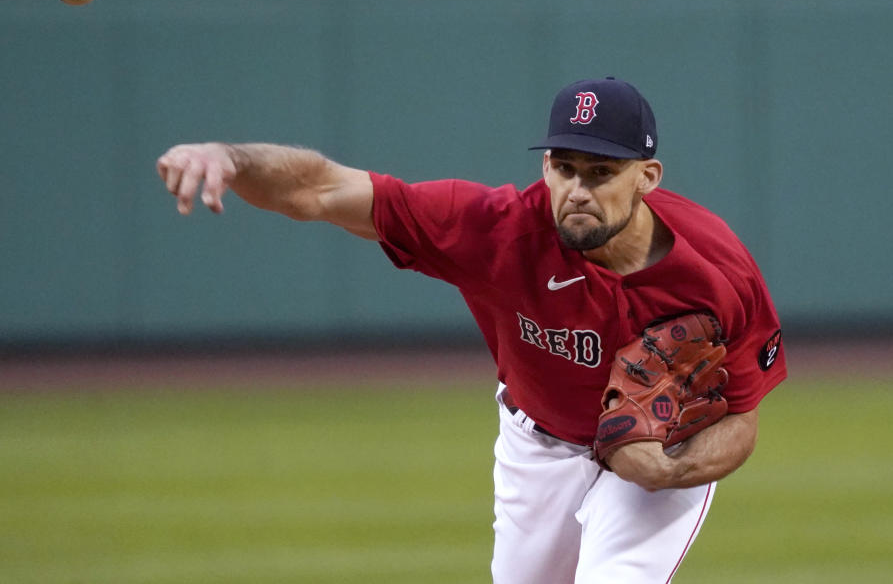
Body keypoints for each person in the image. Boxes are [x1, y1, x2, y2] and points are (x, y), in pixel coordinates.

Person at [157, 77, 787, 583]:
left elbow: (741, 415)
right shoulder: (499, 231)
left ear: (647, 178)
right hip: (537, 450)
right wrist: (228, 159)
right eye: (563, 167)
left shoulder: (715, 270)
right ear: (544, 167)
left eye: (600, 172)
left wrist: (668, 472)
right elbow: (323, 189)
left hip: (663, 454)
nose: (576, 189)